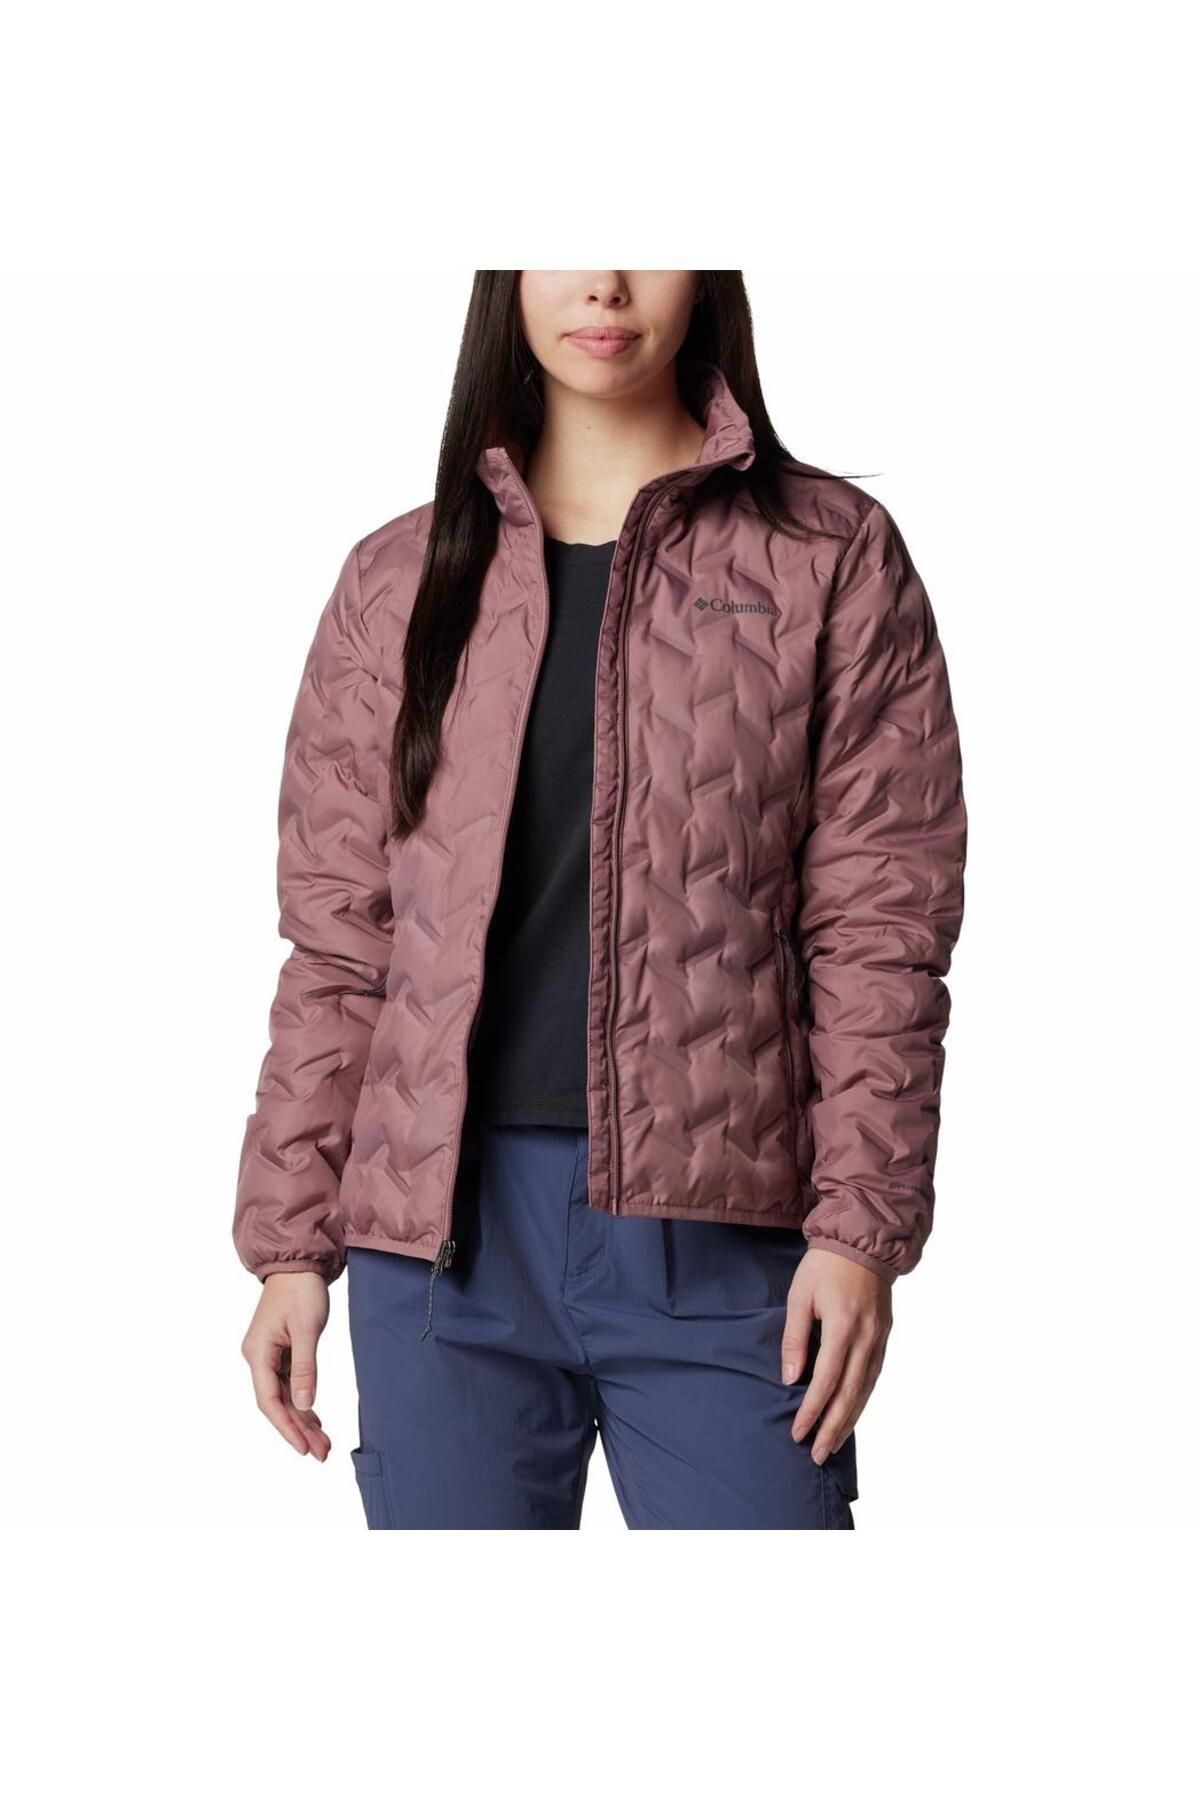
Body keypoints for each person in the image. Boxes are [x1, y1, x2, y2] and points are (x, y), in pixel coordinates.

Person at [233, 270, 967, 1530]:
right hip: (442, 1248)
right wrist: (291, 1247)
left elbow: (880, 926)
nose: (605, 283)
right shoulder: (399, 577)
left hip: (725, 1236)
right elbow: (342, 945)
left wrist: (859, 1231)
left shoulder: (827, 556)